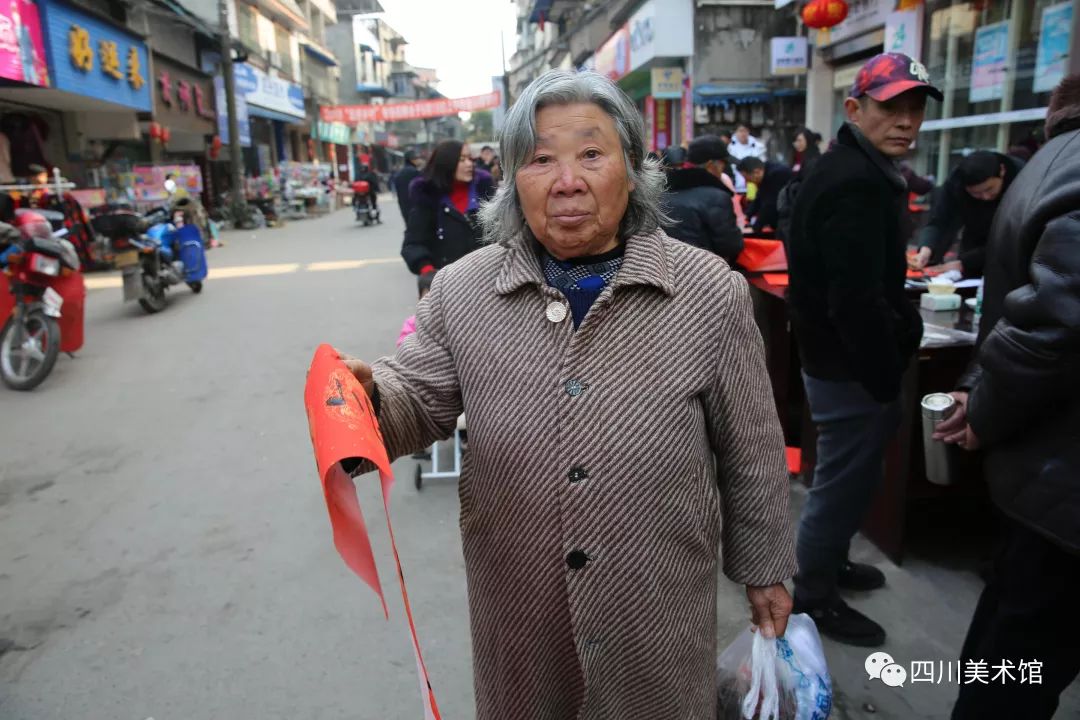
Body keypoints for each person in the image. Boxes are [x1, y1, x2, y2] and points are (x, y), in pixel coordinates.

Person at [340, 68, 796, 718]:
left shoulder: (708, 292)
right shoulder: (464, 290)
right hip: (521, 612)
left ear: (632, 167)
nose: (567, 181)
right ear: (512, 181)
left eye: (591, 153)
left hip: (657, 608)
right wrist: (367, 403)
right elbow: (414, 394)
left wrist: (766, 566)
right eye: (540, 159)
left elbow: (750, 445)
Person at [932, 74, 1080, 720]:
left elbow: (1039, 318)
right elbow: (1051, 324)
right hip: (1060, 485)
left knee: (1007, 663)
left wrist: (980, 399)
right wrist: (983, 401)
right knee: (1013, 665)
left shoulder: (1049, 165)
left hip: (1055, 487)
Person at [786, 52, 942, 647]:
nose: (905, 120)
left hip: (843, 361)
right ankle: (812, 594)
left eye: (915, 109)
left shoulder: (862, 169)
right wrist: (885, 371)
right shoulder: (854, 180)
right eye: (891, 107)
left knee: (853, 476)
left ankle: (830, 564)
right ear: (855, 109)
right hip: (848, 366)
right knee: (841, 483)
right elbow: (852, 301)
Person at [910, 150, 1025, 276]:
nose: (985, 197)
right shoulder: (955, 182)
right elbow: (940, 219)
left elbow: (1016, 239)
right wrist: (926, 249)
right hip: (973, 239)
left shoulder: (1022, 179)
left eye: (989, 189)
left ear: (1002, 171)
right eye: (976, 193)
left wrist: (965, 263)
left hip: (1011, 251)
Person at [401, 140, 494, 275]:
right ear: (446, 163)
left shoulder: (485, 192)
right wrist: (428, 271)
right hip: (446, 283)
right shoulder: (428, 197)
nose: (469, 164)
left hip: (488, 278)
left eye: (470, 158)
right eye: (461, 160)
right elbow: (413, 244)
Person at [662, 135, 744, 263]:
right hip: (706, 272)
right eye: (723, 165)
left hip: (666, 270)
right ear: (711, 165)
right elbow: (730, 246)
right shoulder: (717, 197)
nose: (723, 171)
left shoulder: (662, 191)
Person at [736, 156, 794, 234]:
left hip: (790, 218)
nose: (746, 181)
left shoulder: (776, 174)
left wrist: (755, 228)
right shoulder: (765, 172)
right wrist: (747, 215)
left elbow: (769, 204)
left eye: (746, 177)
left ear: (756, 172)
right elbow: (759, 197)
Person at [397, 271, 435, 348]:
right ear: (419, 299)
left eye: (435, 297)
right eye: (426, 298)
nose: (431, 302)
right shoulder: (412, 323)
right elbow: (402, 345)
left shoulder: (447, 319)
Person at [727, 124, 766, 192]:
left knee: (751, 199)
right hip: (736, 181)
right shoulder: (730, 147)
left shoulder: (758, 146)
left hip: (752, 182)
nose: (743, 134)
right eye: (740, 131)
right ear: (736, 132)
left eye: (745, 131)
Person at [393, 150, 424, 221]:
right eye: (417, 158)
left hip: (404, 207)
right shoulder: (414, 172)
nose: (419, 160)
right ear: (412, 160)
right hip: (415, 208)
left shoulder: (399, 173)